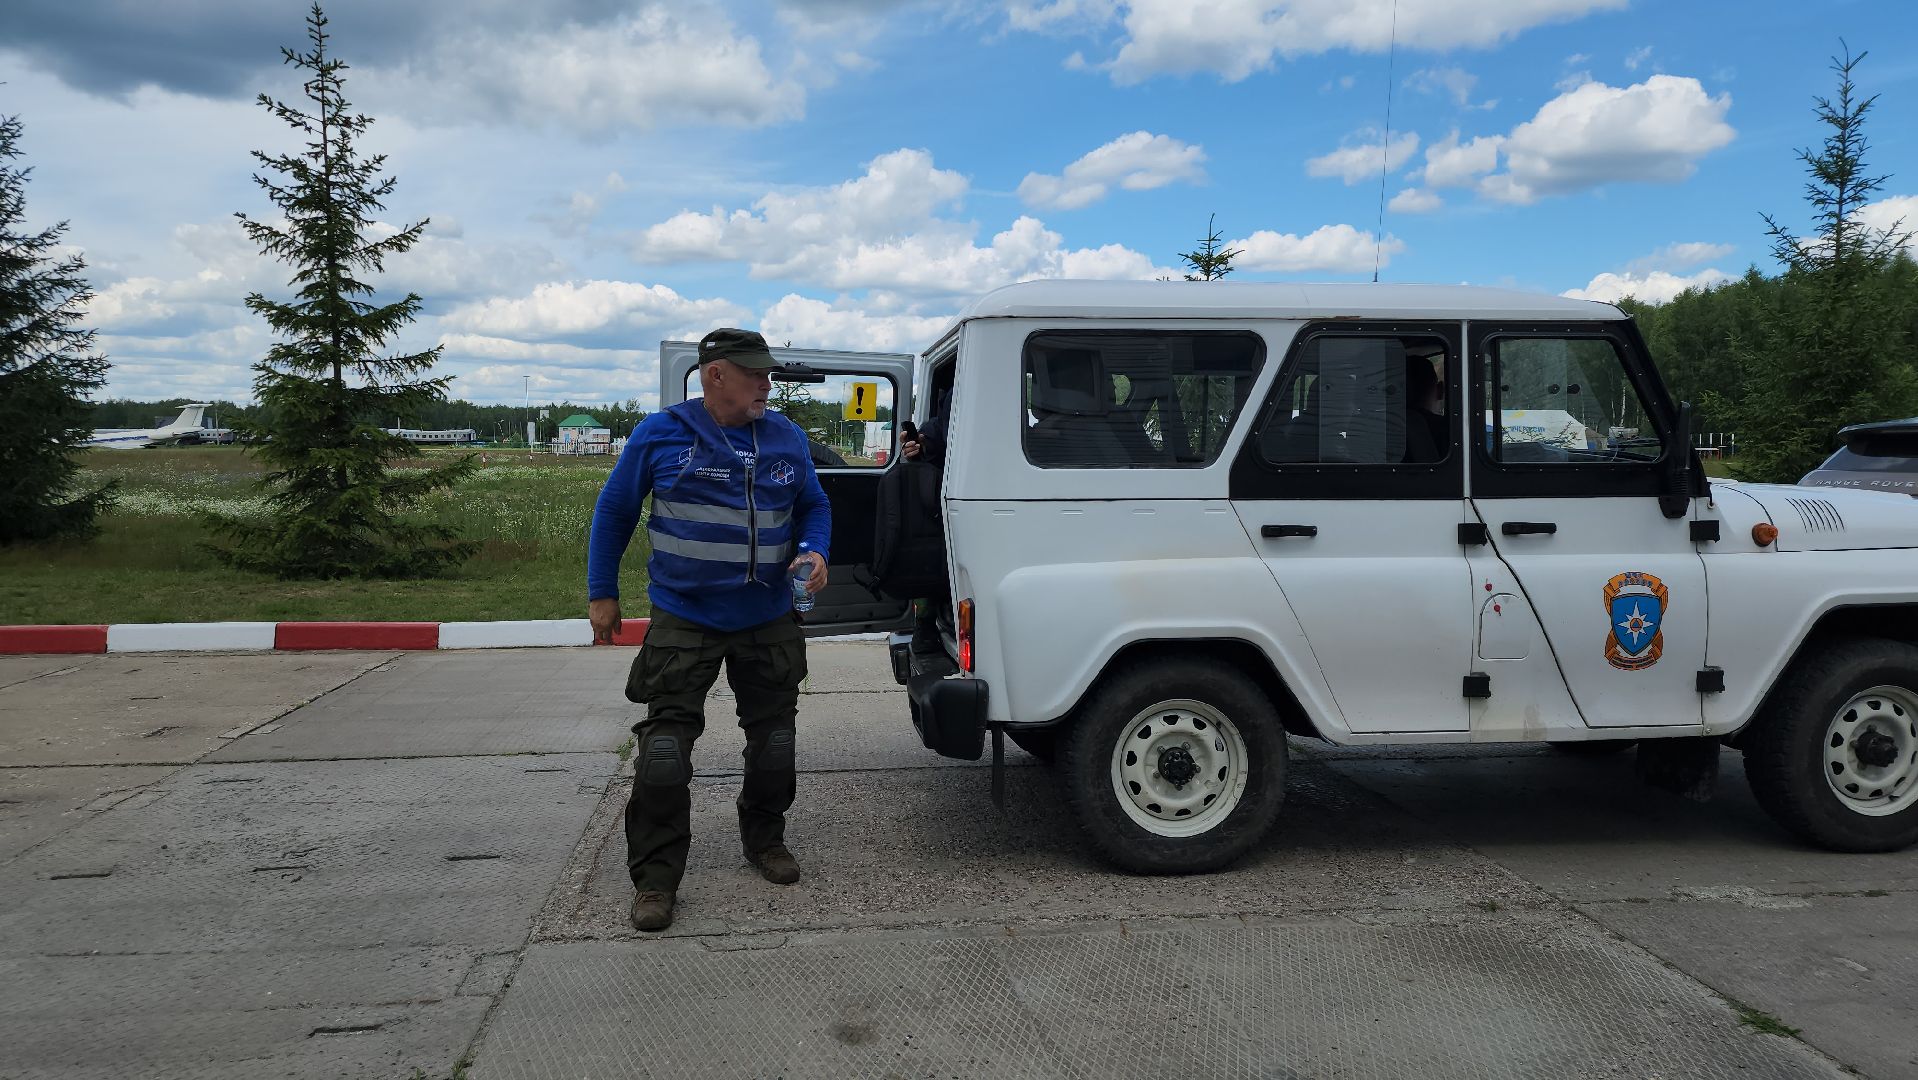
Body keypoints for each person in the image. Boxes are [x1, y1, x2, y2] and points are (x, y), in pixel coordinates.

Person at [586, 327, 831, 933]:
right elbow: (615, 510)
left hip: (768, 615)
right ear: (715, 374)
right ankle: (656, 880)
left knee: (775, 744)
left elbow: (814, 505)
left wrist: (814, 551)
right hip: (685, 615)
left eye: (768, 374)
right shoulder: (661, 434)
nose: (765, 384)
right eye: (755, 374)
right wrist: (602, 592)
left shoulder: (786, 437)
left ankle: (764, 840)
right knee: (664, 754)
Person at [898, 385, 950, 653]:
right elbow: (933, 436)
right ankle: (925, 623)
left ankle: (926, 625)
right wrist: (918, 448)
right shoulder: (950, 404)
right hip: (941, 504)